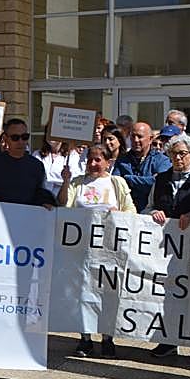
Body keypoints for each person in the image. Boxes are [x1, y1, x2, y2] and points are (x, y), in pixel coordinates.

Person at [145, 133, 190, 363]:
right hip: (166, 250)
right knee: (170, 295)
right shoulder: (160, 179)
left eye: (182, 154)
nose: (177, 158)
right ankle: (169, 340)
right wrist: (152, 212)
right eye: (173, 153)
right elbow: (146, 208)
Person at [59, 143, 137, 358]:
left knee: (107, 295)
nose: (93, 164)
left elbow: (131, 211)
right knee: (82, 293)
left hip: (108, 250)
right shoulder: (77, 183)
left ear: (108, 162)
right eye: (90, 159)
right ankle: (85, 339)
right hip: (81, 249)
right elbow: (64, 207)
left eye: (98, 160)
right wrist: (65, 181)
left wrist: (118, 213)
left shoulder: (116, 183)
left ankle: (107, 338)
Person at [0, 119, 55, 207]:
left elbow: (41, 193)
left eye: (24, 137)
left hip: (28, 217)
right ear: (5, 139)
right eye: (15, 138)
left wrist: (45, 202)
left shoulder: (36, 165)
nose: (20, 142)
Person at [113, 121, 171, 210]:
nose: (136, 140)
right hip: (126, 211)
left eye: (140, 137)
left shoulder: (162, 160)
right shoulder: (122, 160)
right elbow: (116, 183)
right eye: (133, 136)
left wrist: (128, 178)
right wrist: (145, 181)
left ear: (151, 139)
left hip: (151, 213)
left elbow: (158, 183)